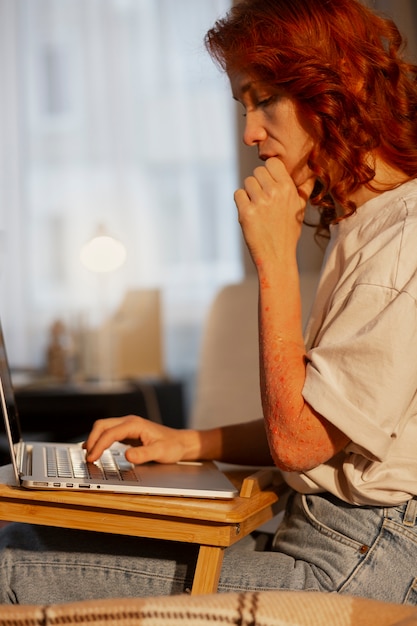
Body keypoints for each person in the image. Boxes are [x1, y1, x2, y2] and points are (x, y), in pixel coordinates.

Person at [2, 0, 417, 606]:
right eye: (243, 105)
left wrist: (274, 260)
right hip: (324, 539)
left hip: (355, 563)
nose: (249, 133)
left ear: (341, 85)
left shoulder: (403, 240)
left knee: (11, 571)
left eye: (265, 98)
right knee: (35, 533)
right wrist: (186, 442)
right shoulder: (367, 224)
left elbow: (299, 445)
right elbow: (331, 431)